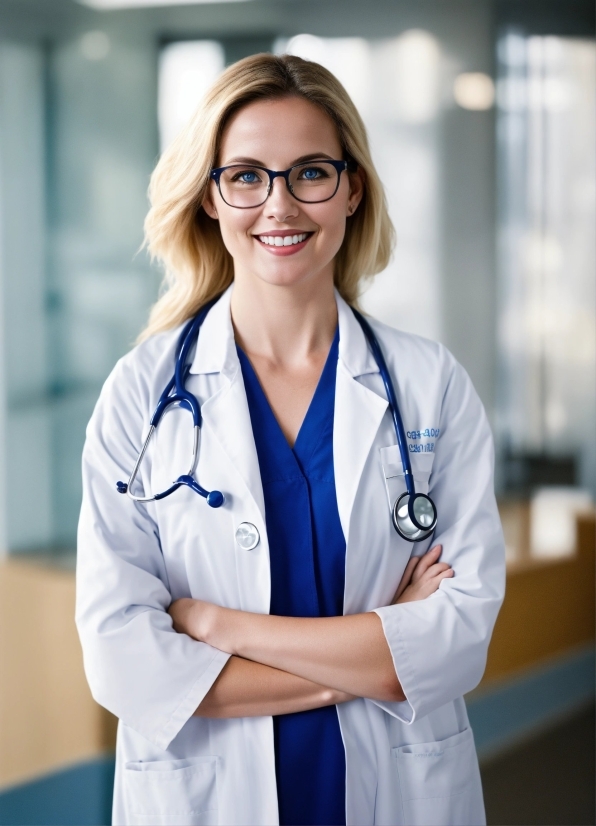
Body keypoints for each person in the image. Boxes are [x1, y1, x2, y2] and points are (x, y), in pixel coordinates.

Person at [76, 53, 505, 826]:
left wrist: (217, 628)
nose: (279, 205)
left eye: (309, 172)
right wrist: (376, 661)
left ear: (351, 189)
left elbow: (455, 645)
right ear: (210, 197)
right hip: (207, 797)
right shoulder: (140, 398)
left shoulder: (428, 385)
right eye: (246, 175)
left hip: (396, 793)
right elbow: (123, 665)